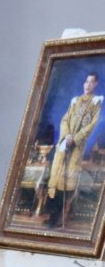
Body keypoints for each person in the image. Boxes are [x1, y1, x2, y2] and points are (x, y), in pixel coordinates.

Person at [46, 72, 102, 227]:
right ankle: (51, 215)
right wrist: (67, 135)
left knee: (66, 180)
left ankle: (59, 217)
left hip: (76, 147)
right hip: (65, 143)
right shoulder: (75, 101)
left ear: (95, 84)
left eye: (91, 82)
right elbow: (65, 120)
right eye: (86, 81)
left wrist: (75, 138)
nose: (88, 85)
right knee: (56, 176)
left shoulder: (96, 103)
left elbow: (91, 126)